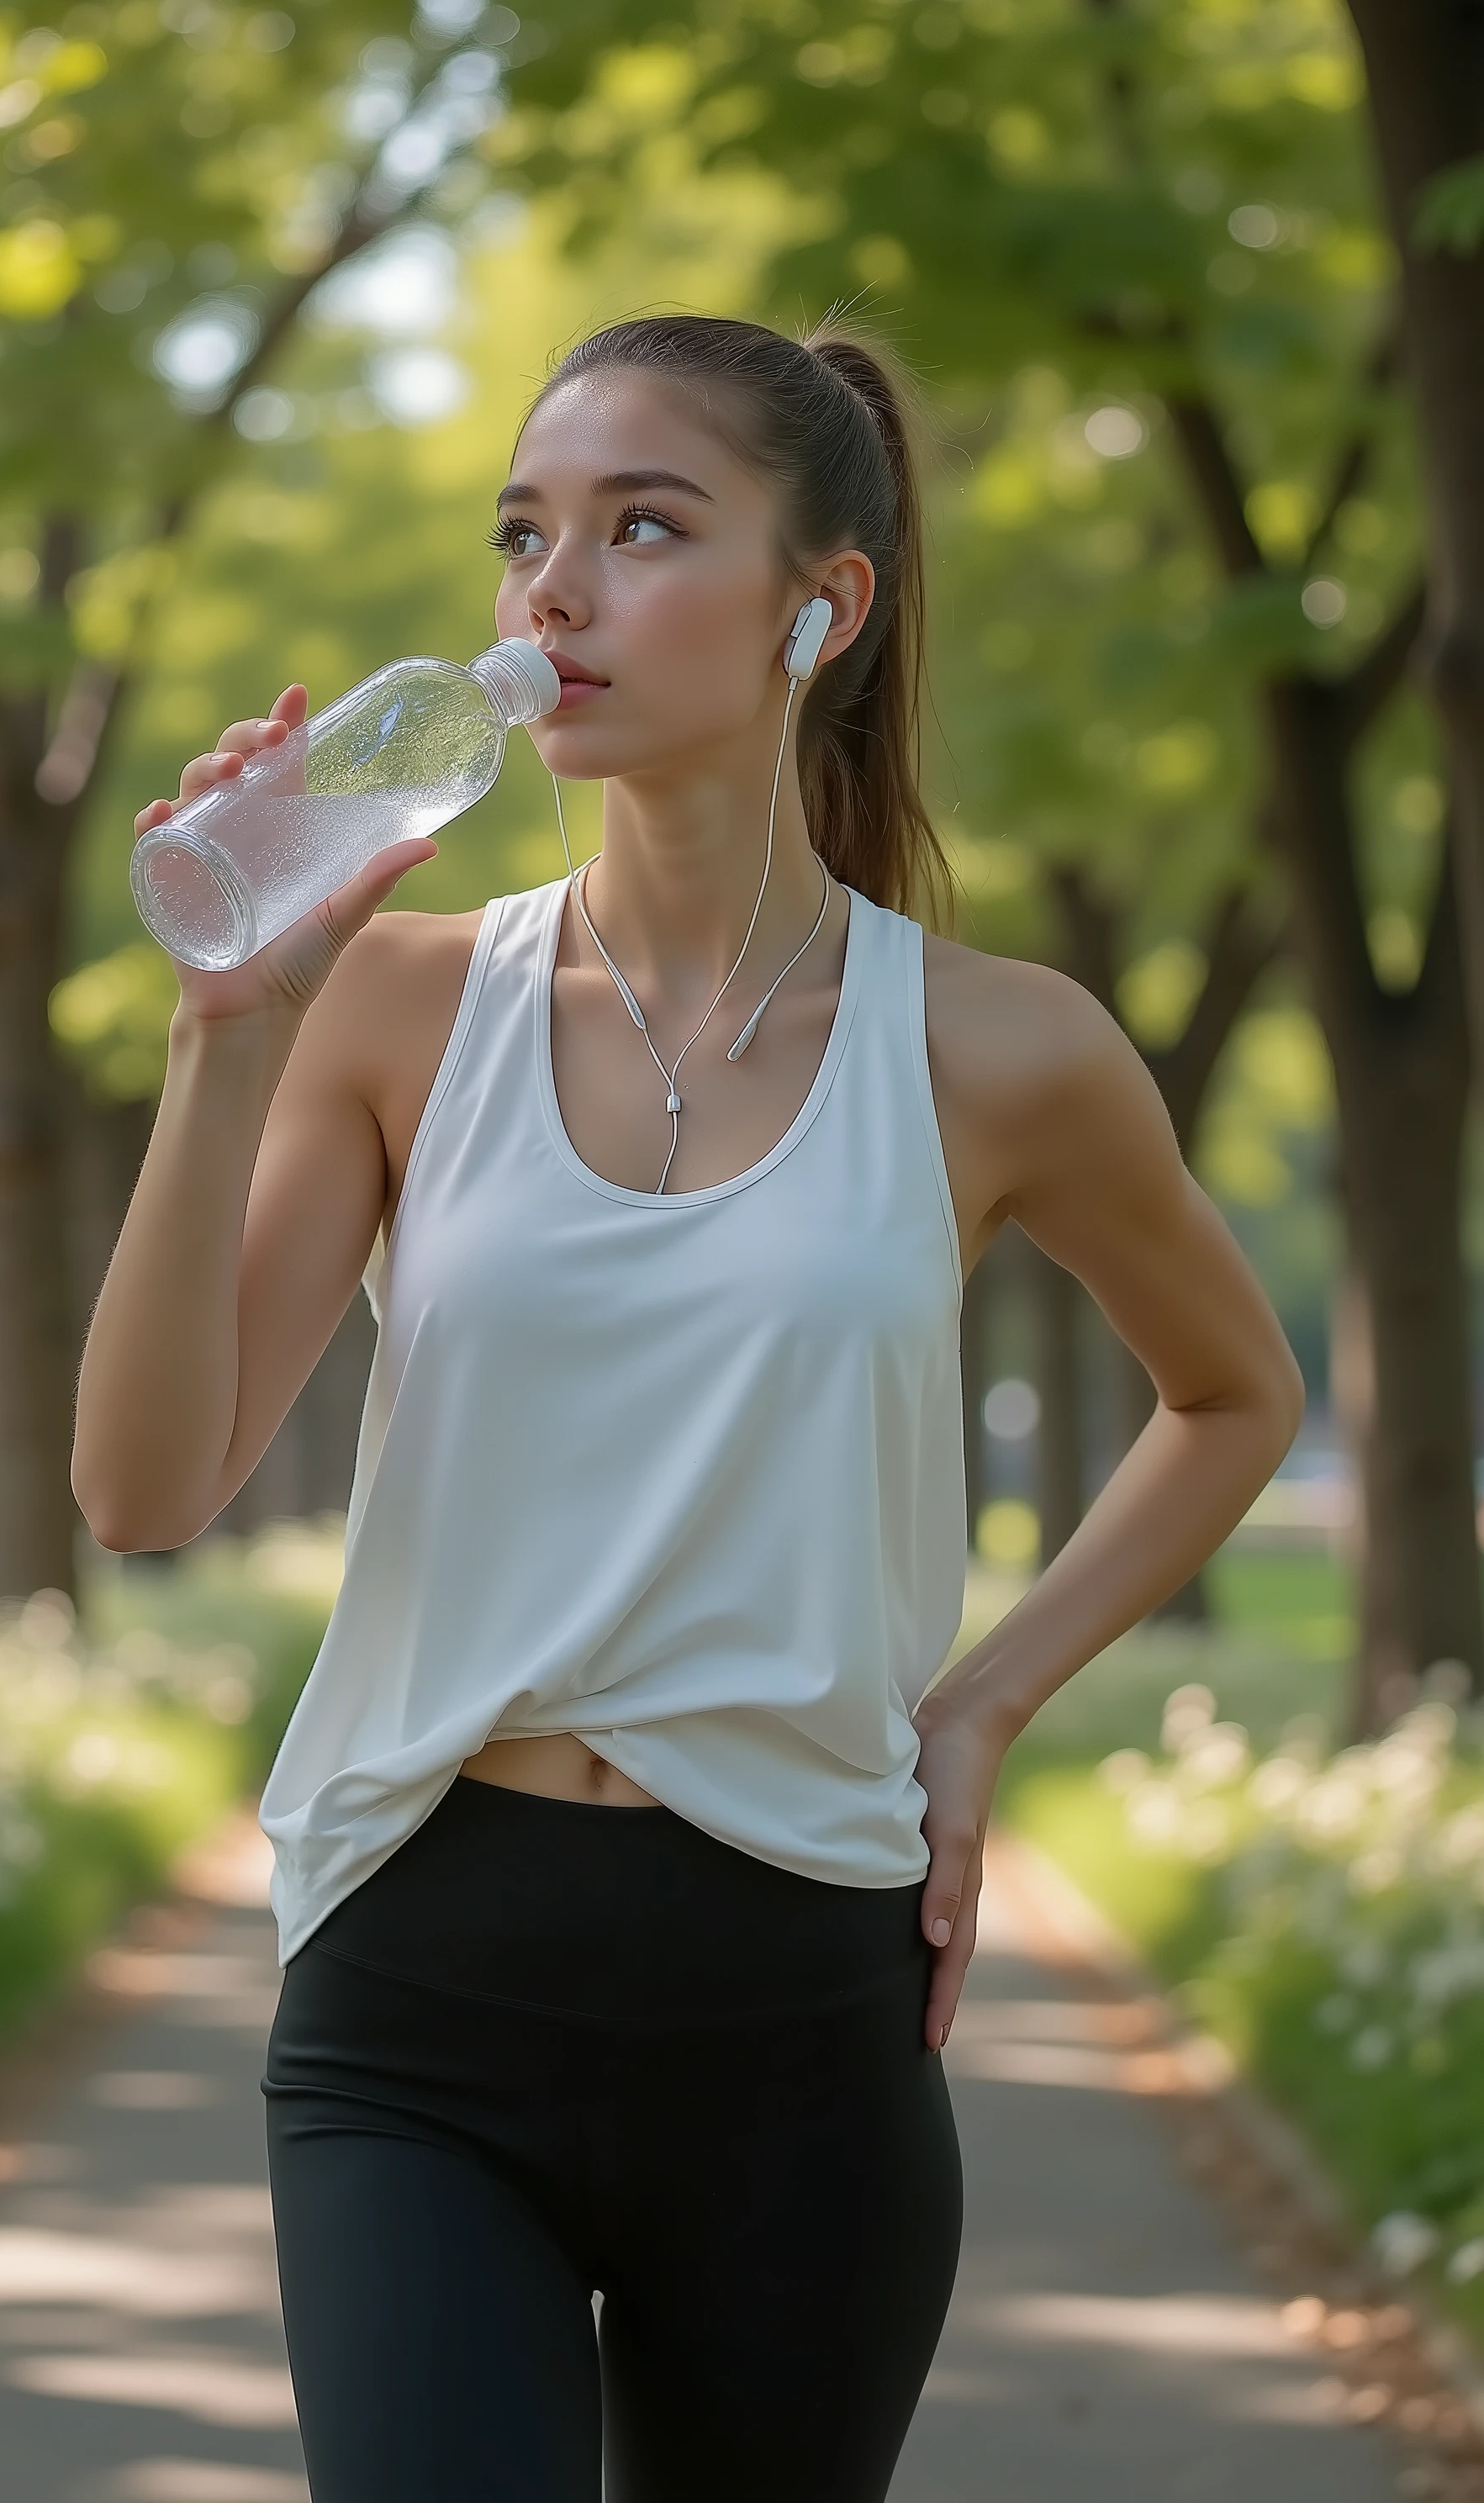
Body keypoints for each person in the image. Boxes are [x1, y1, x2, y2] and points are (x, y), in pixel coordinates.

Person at [72, 314, 1302, 2502]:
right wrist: (221, 1038)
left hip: (799, 2023)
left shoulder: (1005, 1052)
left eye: (645, 530)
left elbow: (1232, 1393)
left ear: (819, 609)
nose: (553, 594)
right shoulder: (393, 1000)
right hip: (417, 2008)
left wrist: (987, 1700)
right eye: (524, 536)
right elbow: (147, 1486)